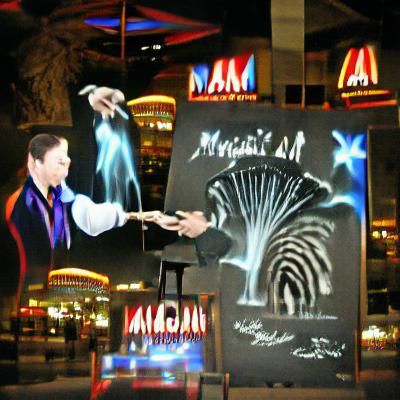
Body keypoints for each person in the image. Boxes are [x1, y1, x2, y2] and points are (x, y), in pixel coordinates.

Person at [6, 133, 157, 310]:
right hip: (32, 292)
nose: (66, 164)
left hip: (49, 288)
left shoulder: (57, 198)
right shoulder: (24, 202)